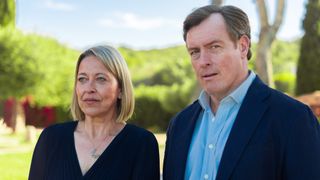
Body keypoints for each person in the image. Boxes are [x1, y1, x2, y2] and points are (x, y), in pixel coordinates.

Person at [163, 5, 320, 180]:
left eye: (214, 47)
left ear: (243, 46)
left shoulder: (293, 117)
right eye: (195, 52)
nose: (203, 61)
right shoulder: (179, 125)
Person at [29, 45, 160, 180]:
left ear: (120, 89)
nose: (89, 88)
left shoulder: (142, 143)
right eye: (82, 79)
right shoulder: (50, 139)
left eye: (101, 79)